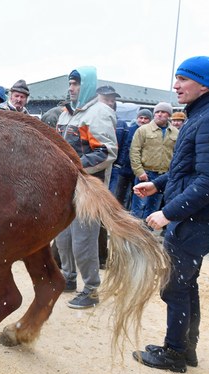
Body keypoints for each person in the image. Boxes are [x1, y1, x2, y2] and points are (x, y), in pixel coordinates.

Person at [133, 56, 209, 373]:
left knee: (175, 286)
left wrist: (166, 213)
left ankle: (175, 352)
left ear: (203, 84)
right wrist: (157, 184)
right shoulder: (201, 115)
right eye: (176, 78)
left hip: (196, 220)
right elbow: (190, 170)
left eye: (183, 79)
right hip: (192, 216)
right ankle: (186, 349)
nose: (176, 85)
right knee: (186, 283)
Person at [55, 67, 117, 309]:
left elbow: (106, 152)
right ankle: (68, 277)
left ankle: (91, 289)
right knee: (62, 238)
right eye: (70, 83)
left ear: (87, 85)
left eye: (76, 84)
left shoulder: (99, 113)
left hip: (88, 187)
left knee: (83, 241)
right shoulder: (66, 113)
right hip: (65, 186)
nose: (71, 88)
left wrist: (73, 168)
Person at [129, 102, 178, 220]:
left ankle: (147, 235)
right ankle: (134, 234)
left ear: (169, 115)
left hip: (163, 176)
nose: (160, 115)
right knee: (138, 207)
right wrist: (139, 171)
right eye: (157, 112)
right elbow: (134, 151)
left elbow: (177, 154)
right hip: (146, 173)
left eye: (163, 112)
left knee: (153, 209)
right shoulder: (143, 130)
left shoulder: (176, 132)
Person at [95, 85, 127, 269]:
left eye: (112, 99)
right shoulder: (97, 115)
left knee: (99, 214)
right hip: (94, 171)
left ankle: (101, 256)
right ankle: (100, 257)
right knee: (99, 214)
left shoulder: (113, 118)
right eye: (106, 98)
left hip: (106, 170)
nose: (110, 102)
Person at [113, 108, 152, 209]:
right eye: (141, 118)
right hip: (125, 169)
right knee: (119, 196)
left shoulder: (151, 132)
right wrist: (120, 163)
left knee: (136, 198)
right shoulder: (130, 130)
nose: (142, 121)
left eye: (146, 118)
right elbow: (123, 147)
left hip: (141, 172)